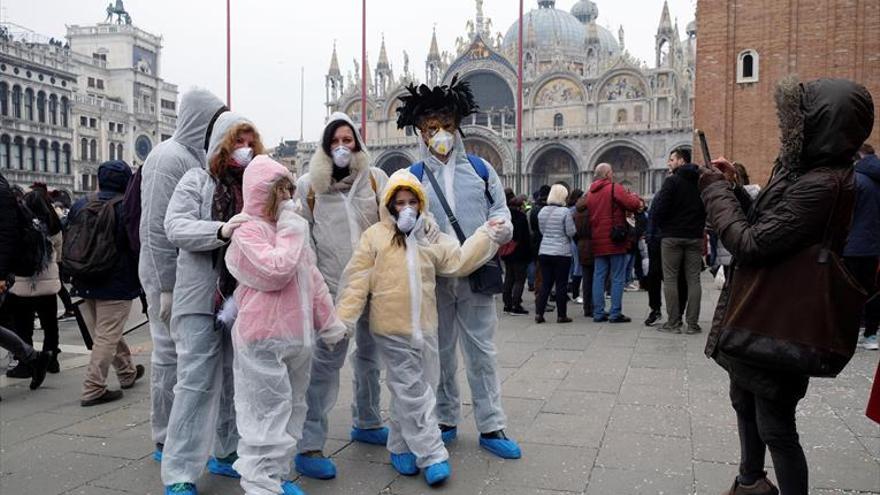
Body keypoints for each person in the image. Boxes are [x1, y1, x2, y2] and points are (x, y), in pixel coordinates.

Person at [701, 77, 874, 495]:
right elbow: (768, 222)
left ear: (821, 127)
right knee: (744, 401)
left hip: (781, 316)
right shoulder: (805, 173)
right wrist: (735, 189)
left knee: (776, 426)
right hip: (761, 309)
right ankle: (750, 481)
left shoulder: (824, 184)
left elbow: (751, 242)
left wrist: (714, 193)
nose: (786, 132)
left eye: (796, 123)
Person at [335, 170, 504, 486]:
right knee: (413, 392)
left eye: (413, 201)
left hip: (425, 325)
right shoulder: (375, 236)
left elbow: (457, 260)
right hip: (391, 326)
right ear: (390, 204)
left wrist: (486, 235)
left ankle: (400, 446)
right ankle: (432, 454)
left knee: (418, 386)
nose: (407, 207)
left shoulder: (429, 235)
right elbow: (357, 279)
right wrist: (343, 320)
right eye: (400, 202)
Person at [395, 75, 520, 459]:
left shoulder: (482, 170)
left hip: (477, 274)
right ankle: (446, 419)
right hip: (435, 280)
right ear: (420, 131)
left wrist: (501, 228)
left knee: (482, 351)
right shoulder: (413, 177)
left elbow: (500, 210)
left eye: (447, 126)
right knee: (441, 352)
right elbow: (403, 218)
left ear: (458, 126)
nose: (441, 134)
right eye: (432, 128)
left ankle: (491, 423)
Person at [225, 155, 347, 495]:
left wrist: (330, 322)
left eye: (288, 188)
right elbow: (274, 270)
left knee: (292, 409)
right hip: (261, 338)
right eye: (279, 190)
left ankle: (275, 476)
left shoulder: (287, 229)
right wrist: (293, 230)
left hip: (297, 337)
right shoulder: (247, 229)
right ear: (260, 193)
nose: (286, 196)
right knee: (264, 413)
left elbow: (312, 279)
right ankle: (259, 483)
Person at [161, 112, 261, 495]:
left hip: (243, 298)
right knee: (196, 382)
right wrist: (220, 230)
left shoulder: (255, 185)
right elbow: (176, 226)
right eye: (238, 141)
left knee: (237, 378)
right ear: (221, 143)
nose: (245, 150)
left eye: (251, 142)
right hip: (201, 296)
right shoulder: (196, 180)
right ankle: (181, 471)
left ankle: (227, 450)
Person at [293, 112, 390, 480]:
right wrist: (315, 284)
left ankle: (366, 421)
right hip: (332, 289)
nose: (342, 147)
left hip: (372, 284)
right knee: (324, 366)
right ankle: (309, 443)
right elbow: (302, 236)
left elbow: (388, 224)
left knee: (370, 358)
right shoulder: (309, 185)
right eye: (335, 141)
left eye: (348, 140)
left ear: (358, 142)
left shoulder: (375, 179)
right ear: (325, 145)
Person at [139, 88, 227, 461]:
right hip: (168, 278)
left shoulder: (197, 157)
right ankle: (164, 438)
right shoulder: (166, 158)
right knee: (168, 357)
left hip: (196, 277)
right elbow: (155, 229)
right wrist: (165, 288)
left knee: (191, 360)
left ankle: (193, 435)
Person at [68, 161, 146, 407]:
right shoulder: (127, 206)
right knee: (106, 335)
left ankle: (126, 372)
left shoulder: (81, 203)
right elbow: (136, 245)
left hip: (84, 276)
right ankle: (93, 387)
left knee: (106, 332)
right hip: (116, 280)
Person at [0, 170, 50, 397]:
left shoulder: (2, 192)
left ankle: (33, 358)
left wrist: (1, 274)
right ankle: (34, 358)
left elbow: (6, 235)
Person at [5, 190, 63, 377]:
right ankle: (52, 357)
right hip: (48, 283)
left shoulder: (20, 224)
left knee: (23, 324)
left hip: (23, 282)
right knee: (50, 323)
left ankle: (26, 363)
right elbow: (59, 253)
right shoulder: (54, 225)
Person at [652, 147, 707, 334]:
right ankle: (692, 324)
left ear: (682, 161)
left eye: (672, 159)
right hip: (694, 236)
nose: (669, 163)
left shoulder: (672, 181)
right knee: (694, 280)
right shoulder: (701, 182)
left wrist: (664, 226)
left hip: (672, 237)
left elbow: (659, 209)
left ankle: (673, 323)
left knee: (670, 279)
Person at [586, 163, 642, 323]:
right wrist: (636, 198)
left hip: (597, 239)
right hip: (614, 238)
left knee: (599, 276)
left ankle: (598, 312)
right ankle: (615, 312)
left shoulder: (590, 192)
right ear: (608, 174)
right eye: (612, 172)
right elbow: (631, 204)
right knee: (617, 277)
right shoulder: (613, 188)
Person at [843, 143, 880, 350]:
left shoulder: (856, 180)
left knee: (849, 291)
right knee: (873, 290)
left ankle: (848, 332)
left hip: (853, 246)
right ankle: (871, 334)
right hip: (874, 246)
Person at [535, 184, 576, 324]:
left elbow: (542, 231)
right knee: (561, 284)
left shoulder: (542, 211)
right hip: (561, 253)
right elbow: (571, 232)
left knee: (546, 283)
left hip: (544, 251)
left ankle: (539, 313)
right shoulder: (565, 212)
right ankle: (561, 315)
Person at [501, 191, 532, 316]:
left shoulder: (505, 217)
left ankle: (507, 304)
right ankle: (516, 304)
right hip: (520, 253)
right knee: (519, 279)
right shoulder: (521, 217)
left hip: (508, 252)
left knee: (509, 278)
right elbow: (524, 237)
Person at [573, 191, 594, 317]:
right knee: (596, 277)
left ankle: (587, 307)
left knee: (586, 278)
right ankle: (594, 306)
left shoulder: (577, 212)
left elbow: (574, 232)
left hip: (581, 245)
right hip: (593, 245)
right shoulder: (592, 211)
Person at [566, 189, 584, 303]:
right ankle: (576, 294)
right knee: (578, 267)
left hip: (570, 241)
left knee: (573, 266)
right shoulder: (576, 210)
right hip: (576, 240)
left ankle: (571, 289)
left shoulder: (568, 209)